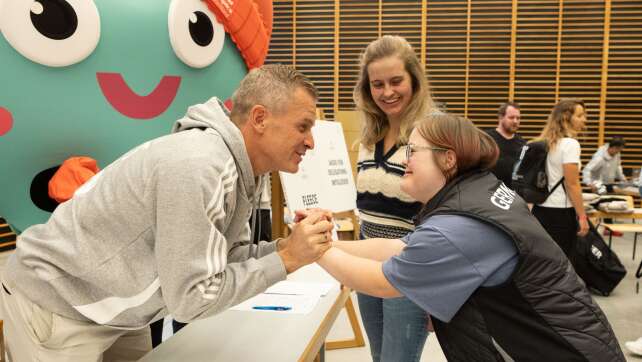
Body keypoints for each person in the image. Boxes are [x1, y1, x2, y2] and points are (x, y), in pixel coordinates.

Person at [0, 64, 334, 360]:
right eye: (303, 127)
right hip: (56, 300)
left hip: (119, 306)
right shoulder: (200, 165)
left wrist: (283, 248)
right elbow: (192, 299)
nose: (310, 142)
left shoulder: (242, 167)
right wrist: (287, 259)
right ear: (260, 119)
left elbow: (224, 256)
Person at [315, 113, 624, 361]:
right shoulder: (476, 193)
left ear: (448, 159)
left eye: (413, 150)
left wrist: (315, 251)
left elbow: (381, 281)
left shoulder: (459, 227)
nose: (404, 160)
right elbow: (399, 246)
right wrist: (333, 244)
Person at [352, 35, 433, 361]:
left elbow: (444, 215)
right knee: (378, 356)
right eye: (377, 84)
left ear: (414, 80)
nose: (387, 92)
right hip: (367, 263)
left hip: (410, 267)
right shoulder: (368, 137)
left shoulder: (431, 134)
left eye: (396, 81)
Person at [529, 98, 589, 260]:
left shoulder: (544, 143)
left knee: (544, 259)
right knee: (562, 261)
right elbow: (572, 184)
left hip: (540, 209)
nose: (585, 119)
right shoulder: (570, 145)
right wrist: (582, 216)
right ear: (565, 118)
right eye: (580, 115)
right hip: (561, 213)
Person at [485, 101, 525, 188]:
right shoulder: (487, 139)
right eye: (511, 117)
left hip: (512, 195)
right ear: (500, 117)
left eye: (518, 118)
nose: (515, 121)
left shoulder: (522, 143)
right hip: (489, 192)